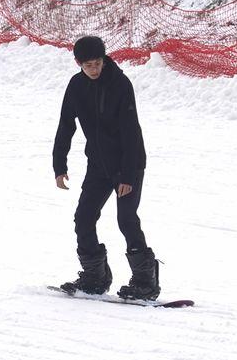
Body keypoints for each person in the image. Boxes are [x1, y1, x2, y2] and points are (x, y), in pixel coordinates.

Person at [52, 36, 160, 300]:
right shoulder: (76, 85)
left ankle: (146, 281)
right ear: (79, 64)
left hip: (128, 164)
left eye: (98, 63)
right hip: (98, 165)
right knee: (84, 218)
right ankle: (95, 276)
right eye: (88, 65)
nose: (94, 69)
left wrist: (127, 173)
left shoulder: (120, 84)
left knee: (126, 220)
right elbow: (66, 124)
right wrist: (59, 164)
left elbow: (131, 131)